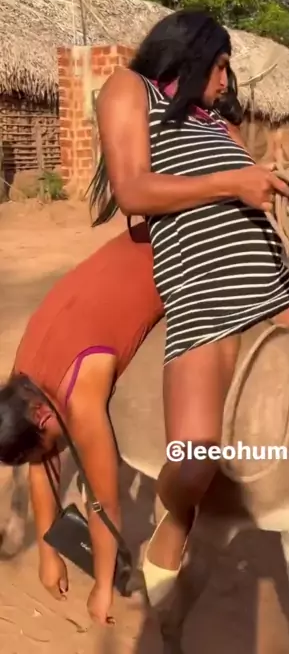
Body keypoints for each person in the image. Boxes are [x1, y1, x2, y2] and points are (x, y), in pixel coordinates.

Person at [93, 9, 289, 607]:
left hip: (272, 289)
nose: (224, 80)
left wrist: (273, 183)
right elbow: (133, 190)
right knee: (192, 464)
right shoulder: (129, 89)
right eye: (220, 65)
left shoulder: (217, 123)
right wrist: (234, 184)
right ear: (190, 55)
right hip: (204, 294)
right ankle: (177, 519)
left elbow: (250, 183)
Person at [0, 223, 164, 624]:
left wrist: (103, 587)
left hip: (176, 250)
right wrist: (47, 552)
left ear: (41, 415)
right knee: (44, 448)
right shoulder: (23, 377)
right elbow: (42, 462)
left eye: (46, 443)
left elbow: (104, 503)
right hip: (137, 239)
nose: (51, 453)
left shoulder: (82, 398)